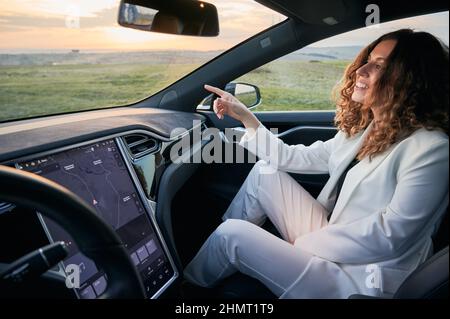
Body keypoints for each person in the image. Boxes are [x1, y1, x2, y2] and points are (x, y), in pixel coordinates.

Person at [183, 29, 449, 298]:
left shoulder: (432, 149)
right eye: (367, 59)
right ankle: (222, 255)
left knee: (232, 235)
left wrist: (305, 244)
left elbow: (390, 235)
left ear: (411, 81)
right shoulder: (369, 129)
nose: (361, 69)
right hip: (336, 238)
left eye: (379, 65)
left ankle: (187, 290)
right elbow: (292, 156)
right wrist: (246, 118)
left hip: (359, 279)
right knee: (264, 172)